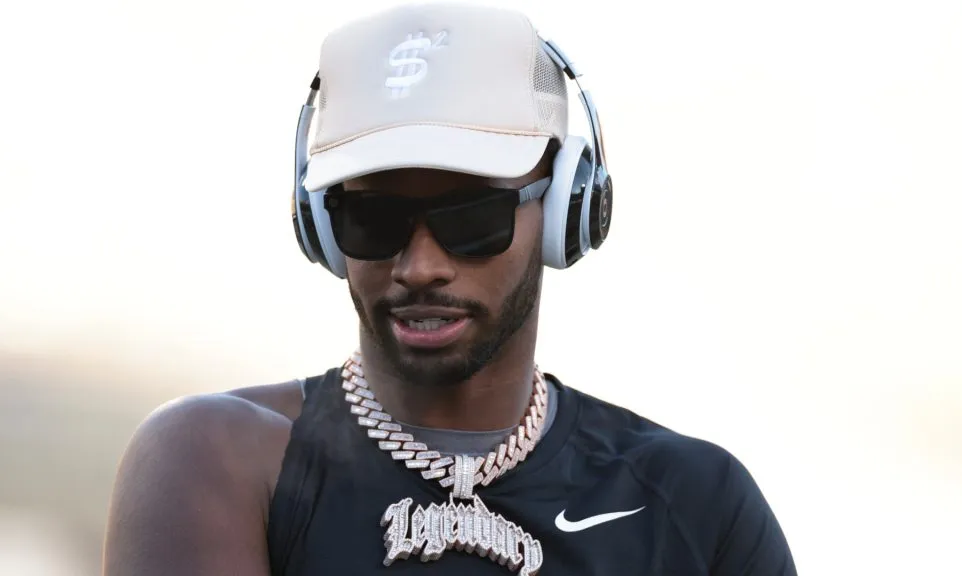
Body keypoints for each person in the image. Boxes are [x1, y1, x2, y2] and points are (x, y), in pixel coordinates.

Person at [101, 3, 797, 575]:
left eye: (473, 217)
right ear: (319, 222)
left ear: (566, 207)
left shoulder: (695, 503)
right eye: (372, 218)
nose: (420, 265)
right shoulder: (217, 458)